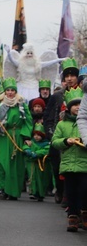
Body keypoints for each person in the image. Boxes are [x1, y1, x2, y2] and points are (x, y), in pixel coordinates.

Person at [43, 58, 79, 204]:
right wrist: (52, 134)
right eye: (66, 76)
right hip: (59, 137)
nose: (69, 79)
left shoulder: (83, 94)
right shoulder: (57, 96)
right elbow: (47, 117)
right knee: (58, 167)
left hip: (78, 136)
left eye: (72, 75)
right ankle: (60, 189)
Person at [0, 78, 33, 201]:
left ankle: (13, 191)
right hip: (3, 136)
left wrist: (26, 136)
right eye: (8, 90)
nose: (10, 92)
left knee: (15, 165)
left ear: (15, 92)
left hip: (17, 136)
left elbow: (28, 121)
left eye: (12, 90)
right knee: (1, 162)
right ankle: (3, 187)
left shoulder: (22, 105)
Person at [58, 88, 87, 231]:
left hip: (84, 163)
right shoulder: (62, 124)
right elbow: (55, 142)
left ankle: (84, 214)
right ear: (69, 108)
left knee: (84, 189)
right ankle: (73, 217)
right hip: (69, 164)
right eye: (74, 105)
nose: (77, 107)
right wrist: (66, 141)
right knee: (71, 192)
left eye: (80, 104)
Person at [24, 123, 51, 202]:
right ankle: (33, 192)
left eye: (39, 135)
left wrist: (36, 153)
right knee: (32, 177)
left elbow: (46, 150)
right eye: (35, 134)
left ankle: (41, 193)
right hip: (32, 163)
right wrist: (27, 150)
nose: (36, 137)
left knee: (42, 179)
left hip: (42, 164)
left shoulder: (46, 144)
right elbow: (25, 146)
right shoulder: (30, 142)